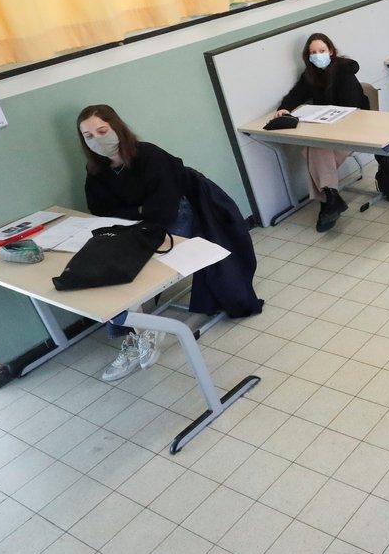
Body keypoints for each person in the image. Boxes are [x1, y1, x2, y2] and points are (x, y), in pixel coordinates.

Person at [79, 105, 263, 382]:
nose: (97, 140)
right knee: (106, 263)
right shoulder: (97, 171)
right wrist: (137, 212)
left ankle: (139, 332)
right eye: (89, 136)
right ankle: (138, 334)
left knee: (130, 263)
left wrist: (131, 213)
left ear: (117, 127)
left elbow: (162, 212)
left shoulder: (149, 156)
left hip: (178, 218)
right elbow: (99, 210)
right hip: (137, 227)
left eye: (102, 131)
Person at [270, 33, 369, 232]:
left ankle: (329, 201)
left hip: (353, 130)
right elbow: (296, 94)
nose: (317, 55)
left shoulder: (344, 72)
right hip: (328, 132)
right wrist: (284, 108)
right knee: (315, 147)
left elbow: (352, 110)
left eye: (322, 51)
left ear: (331, 51)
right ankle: (330, 196)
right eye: (313, 52)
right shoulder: (310, 74)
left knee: (311, 150)